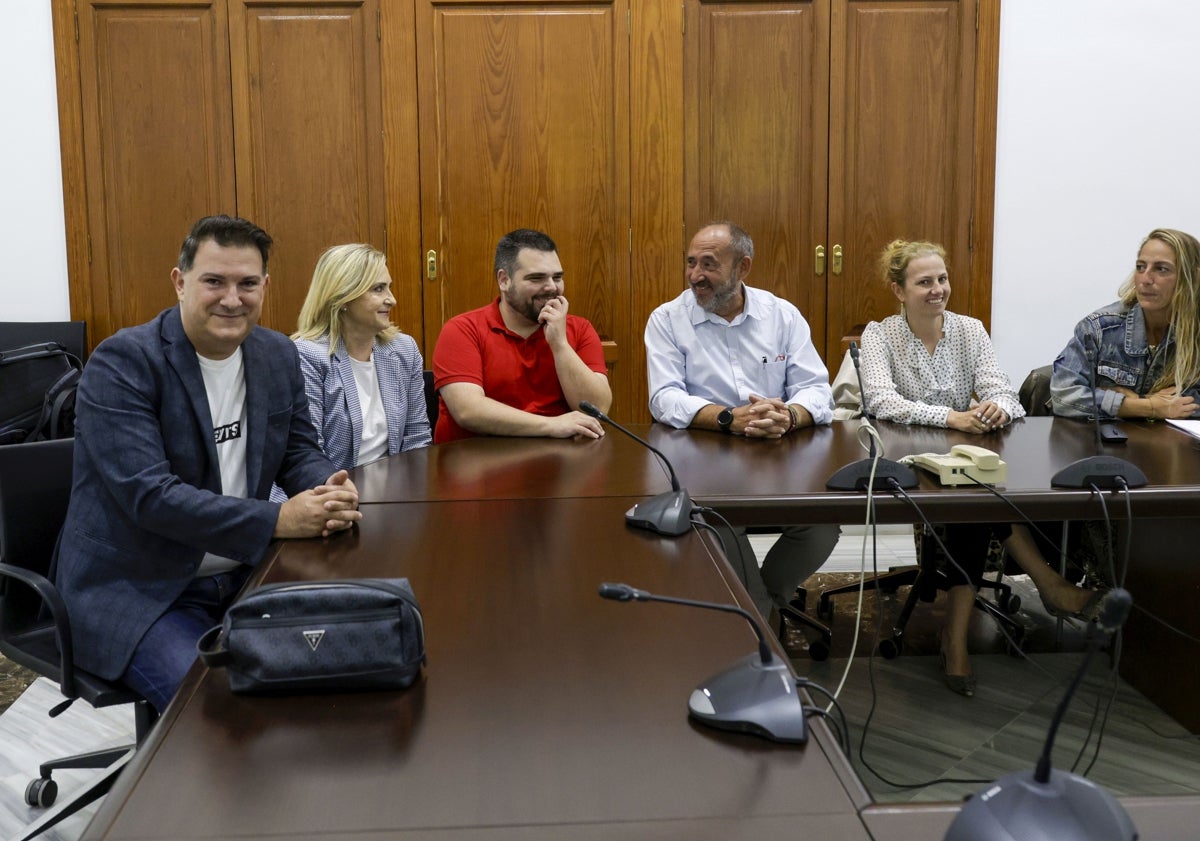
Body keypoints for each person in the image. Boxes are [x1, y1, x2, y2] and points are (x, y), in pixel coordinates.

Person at [54, 215, 362, 713]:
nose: (232, 299)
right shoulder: (123, 363)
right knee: (223, 711)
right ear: (180, 282)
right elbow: (150, 497)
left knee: (334, 671)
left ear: (265, 285)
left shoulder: (276, 354)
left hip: (247, 571)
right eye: (213, 281)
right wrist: (279, 519)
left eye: (247, 283)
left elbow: (297, 450)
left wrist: (329, 484)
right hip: (140, 589)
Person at [859, 238, 1102, 697]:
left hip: (964, 459)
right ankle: (1046, 586)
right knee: (979, 494)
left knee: (976, 494)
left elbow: (1004, 391)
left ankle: (959, 637)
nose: (937, 290)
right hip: (907, 461)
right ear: (899, 290)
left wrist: (996, 409)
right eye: (924, 282)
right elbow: (882, 401)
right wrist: (951, 417)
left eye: (942, 279)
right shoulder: (880, 334)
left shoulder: (970, 331)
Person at [645, 221, 841, 622]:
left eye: (709, 265)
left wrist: (787, 415)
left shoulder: (782, 316)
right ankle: (763, 625)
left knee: (822, 524)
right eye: (691, 263)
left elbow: (818, 390)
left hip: (780, 460)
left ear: (743, 268)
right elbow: (664, 398)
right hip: (705, 464)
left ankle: (761, 603)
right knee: (719, 523)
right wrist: (727, 418)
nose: (695, 275)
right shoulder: (667, 320)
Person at [431, 228, 612, 443]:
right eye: (536, 278)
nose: (552, 287)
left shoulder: (580, 329)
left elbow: (597, 410)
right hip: (479, 463)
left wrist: (560, 344)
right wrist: (552, 425)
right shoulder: (462, 329)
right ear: (504, 280)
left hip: (558, 464)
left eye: (557, 277)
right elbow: (468, 411)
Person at [291, 243, 431, 470]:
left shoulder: (404, 349)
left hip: (396, 491)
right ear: (344, 297)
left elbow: (417, 437)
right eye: (378, 289)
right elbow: (308, 453)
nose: (392, 299)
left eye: (389, 287)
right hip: (330, 492)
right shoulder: (307, 356)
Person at [1051, 227, 1200, 420]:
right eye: (1140, 267)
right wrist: (1149, 407)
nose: (1145, 279)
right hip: (1103, 446)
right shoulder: (1099, 328)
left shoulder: (1195, 331)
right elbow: (1063, 397)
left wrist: (1136, 400)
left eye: (1161, 269)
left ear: (1193, 278)